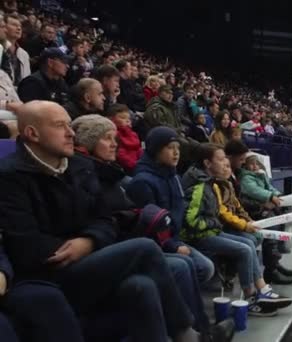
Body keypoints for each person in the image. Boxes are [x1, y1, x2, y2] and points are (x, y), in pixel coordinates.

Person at [0, 100, 212, 342]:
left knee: (140, 285)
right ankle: (187, 333)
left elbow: (105, 218)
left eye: (70, 125)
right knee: (144, 248)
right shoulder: (9, 177)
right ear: (32, 133)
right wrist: (79, 244)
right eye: (60, 126)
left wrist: (89, 240)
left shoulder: (80, 166)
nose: (71, 133)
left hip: (90, 258)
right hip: (49, 273)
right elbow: (25, 244)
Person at [70, 114, 234, 342]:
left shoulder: (126, 176)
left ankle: (195, 329)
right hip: (136, 247)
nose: (115, 144)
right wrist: (171, 243)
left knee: (182, 266)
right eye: (107, 138)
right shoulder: (125, 180)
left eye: (178, 147)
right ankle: (193, 331)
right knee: (183, 265)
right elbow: (131, 222)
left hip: (147, 243)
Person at [181, 143, 292, 316]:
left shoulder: (211, 182)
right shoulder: (199, 186)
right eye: (221, 159)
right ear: (207, 163)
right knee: (244, 249)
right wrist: (214, 224)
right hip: (199, 237)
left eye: (225, 157)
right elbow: (191, 220)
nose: (225, 161)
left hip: (211, 232)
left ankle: (261, 291)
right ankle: (251, 298)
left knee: (248, 242)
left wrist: (245, 221)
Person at [126, 126, 215, 285]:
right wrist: (173, 246)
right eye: (170, 148)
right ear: (155, 150)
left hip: (175, 238)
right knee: (201, 267)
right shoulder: (142, 182)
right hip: (157, 245)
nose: (176, 153)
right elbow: (148, 226)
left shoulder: (173, 176)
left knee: (206, 267)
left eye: (178, 148)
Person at [238, 153, 292, 284]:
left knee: (281, 219)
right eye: (251, 164)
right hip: (253, 211)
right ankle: (271, 271)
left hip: (262, 208)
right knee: (272, 229)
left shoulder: (260, 174)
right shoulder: (246, 177)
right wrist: (270, 196)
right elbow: (254, 191)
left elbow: (269, 187)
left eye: (256, 163)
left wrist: (276, 194)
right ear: (245, 165)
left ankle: (275, 264)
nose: (254, 166)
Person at [107, 103, 143, 174]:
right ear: (111, 119)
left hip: (138, 165)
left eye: (128, 118)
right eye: (122, 118)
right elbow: (120, 154)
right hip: (127, 169)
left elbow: (138, 149)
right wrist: (136, 165)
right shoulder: (114, 135)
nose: (127, 121)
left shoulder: (133, 134)